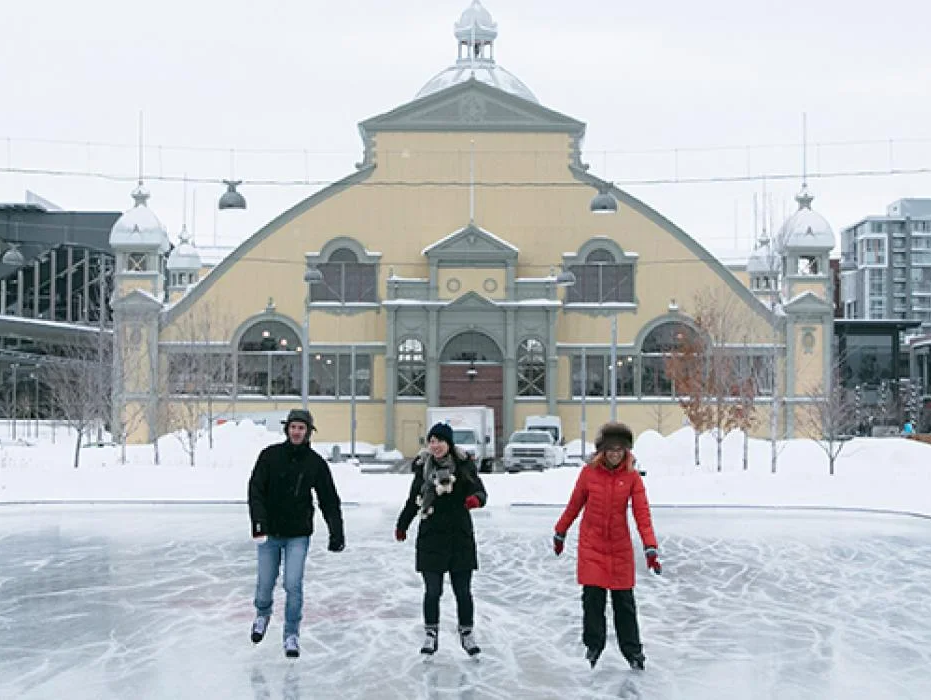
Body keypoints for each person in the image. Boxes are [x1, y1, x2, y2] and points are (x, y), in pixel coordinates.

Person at [553, 421, 661, 670]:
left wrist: (650, 547)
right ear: (602, 450)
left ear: (626, 451)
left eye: (620, 449)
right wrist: (561, 531)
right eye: (610, 449)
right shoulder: (589, 473)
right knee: (593, 598)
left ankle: (633, 652)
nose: (615, 453)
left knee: (624, 602)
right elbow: (574, 504)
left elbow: (642, 514)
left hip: (620, 547)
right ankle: (594, 645)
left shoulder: (632, 476)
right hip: (592, 545)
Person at [247, 408, 345, 659]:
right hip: (269, 533)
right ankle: (262, 614)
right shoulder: (270, 456)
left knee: (293, 584)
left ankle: (291, 633)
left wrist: (336, 532)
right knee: (265, 584)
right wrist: (258, 523)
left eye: (301, 428)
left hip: (298, 534)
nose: (296, 432)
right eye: (293, 427)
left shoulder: (315, 463)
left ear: (308, 432)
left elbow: (328, 499)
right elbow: (255, 490)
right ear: (287, 429)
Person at [395, 422, 488, 657]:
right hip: (431, 536)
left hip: (459, 536)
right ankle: (431, 634)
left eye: (440, 441)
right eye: (432, 441)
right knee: (432, 590)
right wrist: (402, 524)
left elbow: (481, 492)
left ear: (449, 444)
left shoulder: (464, 465)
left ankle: (466, 633)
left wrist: (474, 500)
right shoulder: (422, 468)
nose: (435, 446)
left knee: (463, 591)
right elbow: (412, 499)